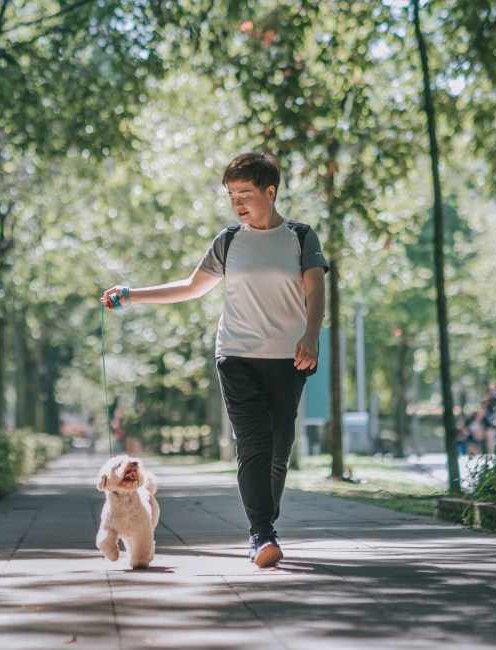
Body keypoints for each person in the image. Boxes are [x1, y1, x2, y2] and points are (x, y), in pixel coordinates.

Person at [101, 152, 329, 568]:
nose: (237, 202)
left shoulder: (300, 237)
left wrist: (311, 336)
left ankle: (265, 522)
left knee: (280, 447)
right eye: (231, 195)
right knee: (254, 445)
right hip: (236, 356)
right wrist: (133, 294)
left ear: (270, 191)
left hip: (288, 358)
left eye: (245, 193)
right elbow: (191, 287)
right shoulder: (229, 241)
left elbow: (315, 291)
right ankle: (261, 534)